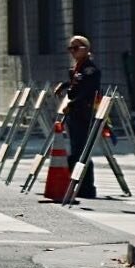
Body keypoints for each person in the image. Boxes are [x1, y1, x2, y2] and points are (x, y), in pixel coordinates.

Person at [57, 35, 101, 199]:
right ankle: (75, 185)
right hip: (74, 114)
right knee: (76, 149)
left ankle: (86, 187)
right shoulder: (78, 68)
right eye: (70, 49)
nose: (72, 52)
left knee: (81, 150)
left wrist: (72, 103)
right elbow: (76, 84)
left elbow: (87, 90)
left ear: (86, 48)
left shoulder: (90, 69)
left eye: (76, 48)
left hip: (83, 114)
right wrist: (64, 84)